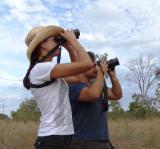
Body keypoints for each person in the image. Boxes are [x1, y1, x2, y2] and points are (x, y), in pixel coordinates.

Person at [23, 25, 93, 149]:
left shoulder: (49, 71)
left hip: (61, 137)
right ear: (43, 44)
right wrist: (73, 41)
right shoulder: (41, 69)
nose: (59, 42)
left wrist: (70, 48)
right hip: (52, 138)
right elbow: (88, 64)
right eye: (55, 39)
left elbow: (79, 78)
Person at [69, 51, 122, 149]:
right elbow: (92, 94)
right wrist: (101, 73)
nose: (96, 68)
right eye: (92, 65)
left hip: (102, 141)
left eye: (96, 65)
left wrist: (113, 77)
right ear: (82, 67)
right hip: (82, 142)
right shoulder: (74, 86)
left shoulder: (96, 86)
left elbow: (116, 95)